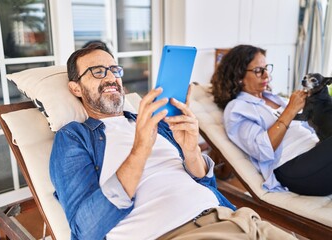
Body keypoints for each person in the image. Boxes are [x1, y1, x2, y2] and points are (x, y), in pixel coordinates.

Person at [49, 42, 298, 240]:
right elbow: (85, 229)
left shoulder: (153, 120)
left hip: (237, 219)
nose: (111, 78)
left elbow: (205, 182)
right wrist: (141, 148)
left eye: (115, 70)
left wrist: (191, 150)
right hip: (178, 232)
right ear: (76, 89)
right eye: (97, 72)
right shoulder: (73, 137)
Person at [211, 44, 332, 196]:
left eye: (266, 68)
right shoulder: (237, 109)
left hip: (317, 152)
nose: (266, 75)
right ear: (239, 76)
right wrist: (290, 110)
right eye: (258, 71)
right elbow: (262, 150)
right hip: (294, 168)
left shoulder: (274, 98)